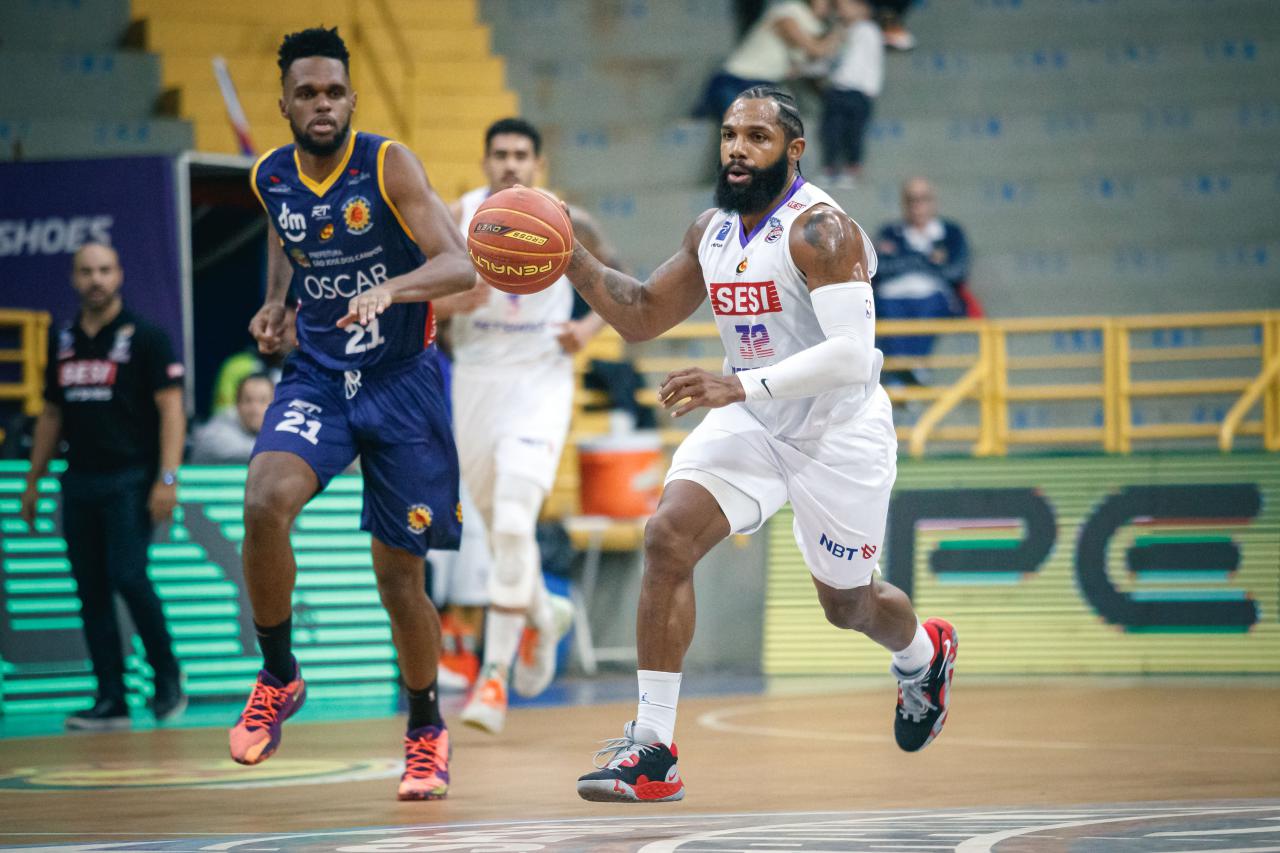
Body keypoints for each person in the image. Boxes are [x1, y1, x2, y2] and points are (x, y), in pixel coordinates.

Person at [562, 87, 958, 802]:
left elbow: (850, 354)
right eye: (729, 135)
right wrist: (572, 259)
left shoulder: (821, 231)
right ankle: (653, 749)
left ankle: (922, 655)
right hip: (753, 419)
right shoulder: (710, 230)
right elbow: (646, 315)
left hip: (837, 433)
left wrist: (739, 388)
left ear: (794, 150)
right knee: (667, 536)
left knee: (849, 605)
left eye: (757, 137)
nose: (737, 149)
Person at [229, 26, 475, 802]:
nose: (323, 104)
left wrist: (393, 290)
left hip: (402, 381)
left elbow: (461, 263)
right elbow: (288, 228)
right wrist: (276, 301)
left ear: (351, 99)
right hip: (318, 376)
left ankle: (426, 729)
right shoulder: (270, 174)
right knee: (265, 500)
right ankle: (279, 674)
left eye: (335, 91)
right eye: (308, 93)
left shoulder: (387, 162)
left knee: (398, 578)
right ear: (286, 105)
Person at [434, 117, 620, 733]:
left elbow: (617, 281)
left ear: (538, 163)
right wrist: (452, 302)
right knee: (498, 529)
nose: (510, 164)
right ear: (485, 162)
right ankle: (545, 609)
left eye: (521, 154)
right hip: (474, 382)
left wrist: (588, 329)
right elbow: (419, 297)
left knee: (515, 520)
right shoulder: (452, 218)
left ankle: (493, 679)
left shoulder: (567, 221)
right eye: (500, 155)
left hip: (540, 379)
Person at [20, 242, 188, 730]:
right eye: (86, 271)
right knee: (90, 589)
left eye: (105, 270)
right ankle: (111, 698)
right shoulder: (62, 338)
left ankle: (168, 677)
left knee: (129, 576)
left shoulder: (148, 337)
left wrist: (168, 477)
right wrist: (33, 481)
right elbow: (52, 413)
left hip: (132, 477)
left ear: (119, 275)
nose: (96, 279)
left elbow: (172, 410)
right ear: (74, 279)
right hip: (78, 480)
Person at [872, 177, 975, 384]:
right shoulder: (890, 231)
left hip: (934, 296)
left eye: (923, 199)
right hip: (892, 296)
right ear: (904, 203)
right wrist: (926, 260)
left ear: (933, 202)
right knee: (885, 306)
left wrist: (907, 259)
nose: (917, 206)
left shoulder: (952, 233)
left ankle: (906, 372)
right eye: (911, 200)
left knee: (930, 304)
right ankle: (908, 371)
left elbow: (957, 271)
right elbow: (877, 268)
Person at [696, 0, 842, 121]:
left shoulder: (816, 27)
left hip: (766, 87)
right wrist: (840, 28)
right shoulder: (789, 10)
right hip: (736, 82)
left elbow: (800, 65)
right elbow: (815, 49)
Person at [820, 0, 883, 188]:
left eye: (846, 5)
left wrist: (870, 89)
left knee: (853, 133)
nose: (841, 9)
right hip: (837, 89)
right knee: (832, 130)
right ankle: (830, 167)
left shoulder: (869, 30)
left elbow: (874, 61)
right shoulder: (839, 31)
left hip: (858, 91)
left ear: (863, 8)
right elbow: (831, 56)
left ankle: (852, 167)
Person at [210, 303, 296, 412]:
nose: (283, 334)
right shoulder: (236, 366)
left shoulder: (309, 371)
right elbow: (224, 415)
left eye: (291, 327)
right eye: (276, 326)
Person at [190, 373, 273, 463]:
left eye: (263, 401)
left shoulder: (281, 426)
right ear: (237, 404)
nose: (255, 409)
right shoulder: (218, 429)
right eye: (248, 400)